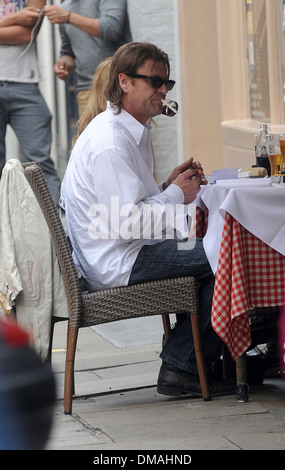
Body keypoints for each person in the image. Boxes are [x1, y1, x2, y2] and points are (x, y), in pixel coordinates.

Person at [62, 42, 229, 397]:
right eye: (155, 82)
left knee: (215, 250)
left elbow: (131, 208)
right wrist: (175, 195)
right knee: (227, 256)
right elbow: (126, 223)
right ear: (124, 82)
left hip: (129, 248)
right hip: (121, 259)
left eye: (167, 83)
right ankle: (182, 366)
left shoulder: (128, 130)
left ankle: (195, 360)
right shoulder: (111, 142)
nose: (164, 90)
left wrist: (169, 184)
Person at [0, 0, 61, 205]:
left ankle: (56, 232)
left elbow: (28, 35)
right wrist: (14, 18)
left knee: (39, 163)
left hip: (26, 85)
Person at [45, 0, 132, 117]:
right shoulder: (64, 8)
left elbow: (111, 28)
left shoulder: (64, 14)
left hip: (118, 87)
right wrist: (63, 65)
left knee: (123, 135)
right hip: (86, 91)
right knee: (90, 135)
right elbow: (68, 52)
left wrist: (68, 17)